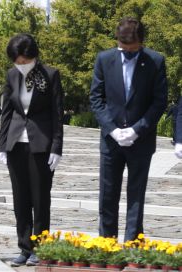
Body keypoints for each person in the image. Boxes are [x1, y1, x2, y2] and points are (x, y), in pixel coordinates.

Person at [90, 17, 167, 241]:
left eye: (132, 48)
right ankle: (106, 243)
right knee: (107, 194)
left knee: (136, 195)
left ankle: (133, 243)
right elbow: (96, 98)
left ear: (141, 43)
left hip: (140, 140)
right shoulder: (104, 59)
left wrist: (137, 130)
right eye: (123, 48)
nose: (126, 51)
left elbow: (159, 101)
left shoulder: (155, 61)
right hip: (111, 139)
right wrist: (112, 129)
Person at [0, 34, 64, 267]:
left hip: (41, 144)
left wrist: (57, 147)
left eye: (25, 61)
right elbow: (6, 112)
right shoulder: (11, 75)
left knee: (40, 198)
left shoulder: (51, 74)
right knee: (20, 199)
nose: (21, 65)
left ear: (34, 57)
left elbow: (57, 113)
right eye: (17, 61)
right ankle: (24, 247)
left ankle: (40, 247)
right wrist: (2, 145)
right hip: (16, 143)